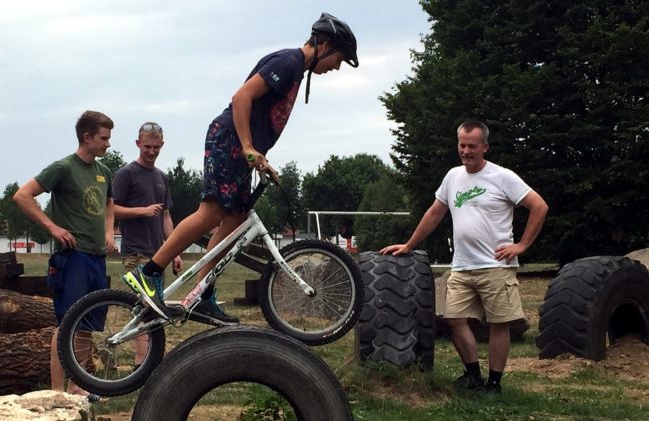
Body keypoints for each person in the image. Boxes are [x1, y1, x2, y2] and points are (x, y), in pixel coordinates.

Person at [123, 12, 359, 323]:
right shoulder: (288, 62)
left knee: (234, 221)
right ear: (325, 45)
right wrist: (248, 147)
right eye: (339, 58)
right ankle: (149, 271)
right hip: (229, 137)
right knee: (211, 212)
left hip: (241, 146)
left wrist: (259, 157)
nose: (336, 67)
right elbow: (242, 97)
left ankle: (203, 293)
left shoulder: (297, 72)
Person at [381, 120, 548, 393]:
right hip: (462, 265)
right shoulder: (453, 177)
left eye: (472, 145)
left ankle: (494, 383)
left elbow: (539, 206)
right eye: (462, 145)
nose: (466, 151)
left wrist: (522, 245)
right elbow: (435, 212)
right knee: (454, 319)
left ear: (485, 146)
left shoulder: (502, 176)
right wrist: (409, 244)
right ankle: (473, 375)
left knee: (498, 324)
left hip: (496, 265)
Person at [13, 110, 116, 398]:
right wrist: (52, 227)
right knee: (67, 324)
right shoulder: (63, 168)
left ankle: (78, 386)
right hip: (72, 259)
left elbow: (109, 205)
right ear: (87, 137)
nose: (108, 144)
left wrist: (109, 232)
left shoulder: (104, 172)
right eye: (103, 138)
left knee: (85, 327)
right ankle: (56, 391)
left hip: (97, 258)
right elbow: (23, 196)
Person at [112, 122, 182, 361]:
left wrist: (174, 250)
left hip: (157, 255)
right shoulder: (126, 174)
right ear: (137, 144)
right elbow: (112, 210)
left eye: (156, 147)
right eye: (147, 147)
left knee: (155, 309)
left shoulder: (162, 177)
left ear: (162, 145)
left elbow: (165, 216)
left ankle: (151, 361)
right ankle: (141, 363)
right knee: (144, 306)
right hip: (135, 252)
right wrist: (141, 211)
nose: (151, 152)